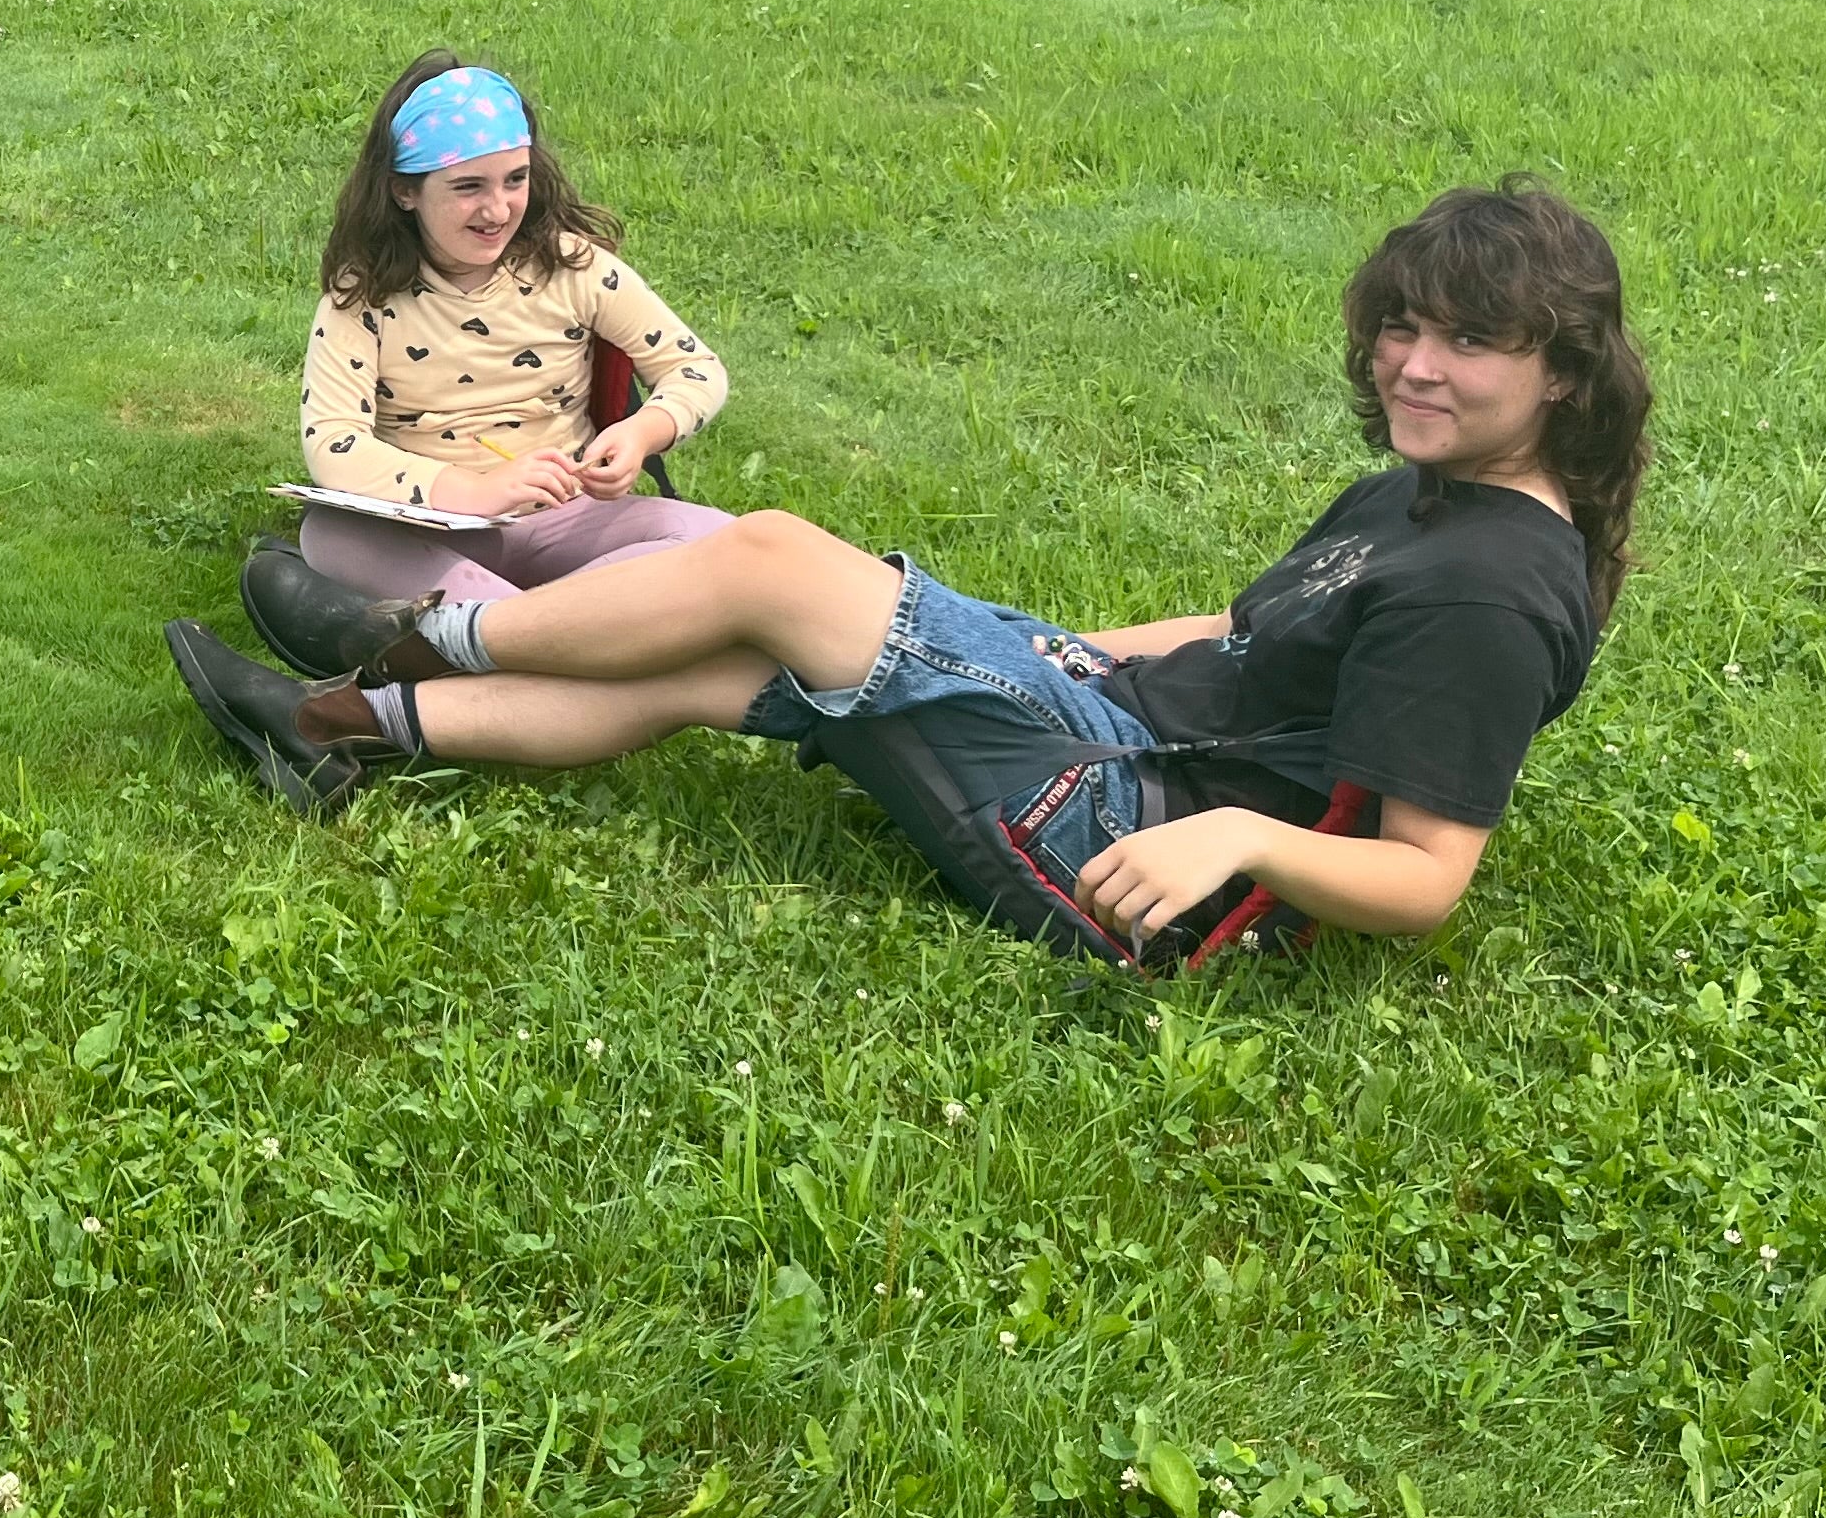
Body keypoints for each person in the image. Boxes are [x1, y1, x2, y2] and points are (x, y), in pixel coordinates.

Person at [169, 180, 1648, 968]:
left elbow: (1427, 876)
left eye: (1466, 343)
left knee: (771, 566)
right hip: (1117, 722)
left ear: (1565, 375)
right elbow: (1246, 631)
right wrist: (1049, 653)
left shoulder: (1490, 590)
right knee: (722, 657)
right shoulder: (1423, 496)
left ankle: (413, 637)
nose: (1413, 364)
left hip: (1128, 848)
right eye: (1403, 327)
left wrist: (1234, 850)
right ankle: (328, 734)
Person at [251, 53, 733, 660]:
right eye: (467, 187)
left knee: (717, 539)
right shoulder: (363, 296)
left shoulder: (574, 268)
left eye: (515, 179)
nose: (499, 209)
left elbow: (695, 368)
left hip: (567, 517)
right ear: (404, 191)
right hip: (432, 527)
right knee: (333, 533)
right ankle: (563, 630)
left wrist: (642, 433)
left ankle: (485, 633)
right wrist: (471, 491)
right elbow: (333, 442)